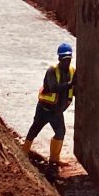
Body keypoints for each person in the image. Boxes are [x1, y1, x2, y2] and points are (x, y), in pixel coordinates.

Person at [22, 42, 75, 172]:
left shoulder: (72, 71)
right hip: (45, 109)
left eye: (68, 59)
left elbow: (74, 89)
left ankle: (54, 159)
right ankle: (23, 153)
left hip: (57, 112)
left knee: (60, 132)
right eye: (64, 59)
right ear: (59, 58)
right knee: (35, 129)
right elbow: (54, 87)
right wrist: (70, 84)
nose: (66, 61)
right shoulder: (52, 71)